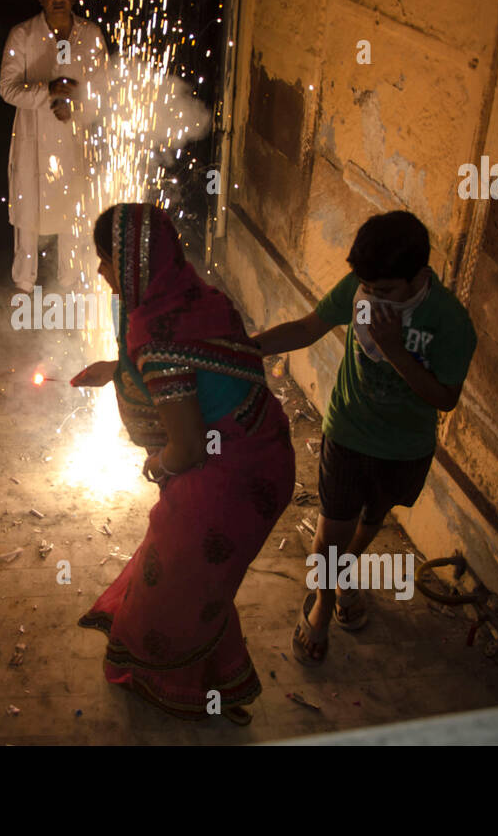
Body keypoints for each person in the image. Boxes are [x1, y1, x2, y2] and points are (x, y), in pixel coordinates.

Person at [71, 203, 295, 725]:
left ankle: (172, 685)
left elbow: (190, 448)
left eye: (104, 260)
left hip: (232, 477)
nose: (100, 271)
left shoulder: (157, 339)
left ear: (132, 264)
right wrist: (118, 370)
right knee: (200, 579)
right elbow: (206, 368)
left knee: (173, 583)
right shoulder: (198, 297)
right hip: (266, 450)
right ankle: (219, 679)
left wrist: (159, 463)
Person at [252, 210, 477, 665]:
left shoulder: (449, 320)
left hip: (405, 447)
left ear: (419, 275)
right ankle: (322, 607)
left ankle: (340, 576)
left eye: (387, 291)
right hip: (349, 430)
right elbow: (307, 328)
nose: (373, 299)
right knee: (331, 529)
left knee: (373, 519)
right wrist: (246, 345)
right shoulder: (360, 289)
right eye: (368, 289)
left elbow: (444, 398)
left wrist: (395, 349)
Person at [0, 0, 108, 292]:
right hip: (32, 141)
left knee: (72, 209)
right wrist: (47, 91)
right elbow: (7, 88)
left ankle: (70, 283)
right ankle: (24, 283)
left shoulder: (90, 35)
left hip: (75, 139)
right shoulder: (23, 35)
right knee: (27, 211)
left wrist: (76, 103)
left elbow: (102, 88)